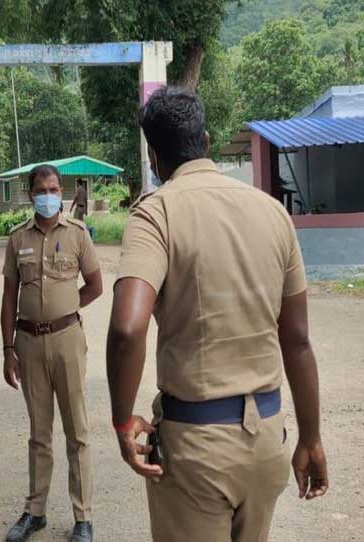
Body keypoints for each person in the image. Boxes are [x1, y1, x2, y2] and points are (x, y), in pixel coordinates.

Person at [106, 87, 328, 542]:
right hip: (267, 438)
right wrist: (311, 438)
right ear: (205, 141)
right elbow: (298, 340)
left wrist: (122, 420)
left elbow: (128, 328)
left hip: (197, 448)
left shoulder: (156, 214)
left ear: (153, 156)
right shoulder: (272, 213)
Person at [1, 165, 104, 542]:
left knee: (77, 430)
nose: (49, 195)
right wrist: (7, 348)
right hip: (27, 343)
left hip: (67, 340)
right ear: (30, 194)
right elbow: (9, 297)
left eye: (54, 188)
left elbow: (95, 285)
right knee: (39, 433)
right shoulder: (17, 240)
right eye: (42, 189)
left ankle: (83, 517)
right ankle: (35, 511)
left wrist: (63, 308)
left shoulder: (77, 235)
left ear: (62, 192)